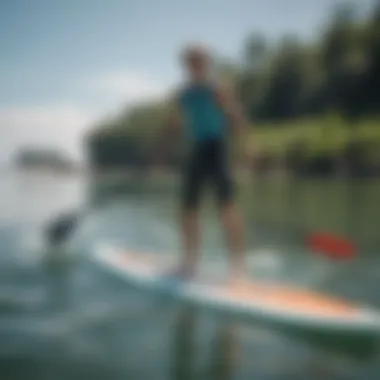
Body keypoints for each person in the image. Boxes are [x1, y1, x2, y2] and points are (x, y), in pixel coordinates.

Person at [160, 43, 248, 284]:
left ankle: (238, 269)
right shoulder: (184, 94)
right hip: (196, 151)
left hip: (217, 148)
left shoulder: (217, 88)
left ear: (207, 63)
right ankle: (189, 264)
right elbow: (176, 123)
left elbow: (234, 115)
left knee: (227, 208)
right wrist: (164, 151)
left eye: (199, 61)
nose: (195, 66)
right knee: (188, 209)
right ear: (186, 66)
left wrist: (248, 144)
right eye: (190, 62)